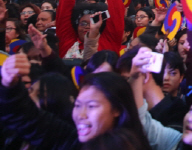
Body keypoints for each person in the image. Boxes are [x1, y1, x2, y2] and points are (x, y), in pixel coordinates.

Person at [0, 53, 151, 149]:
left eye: (92, 106)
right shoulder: (73, 142)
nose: (81, 115)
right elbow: (27, 118)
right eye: (78, 105)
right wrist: (9, 84)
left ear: (117, 109)